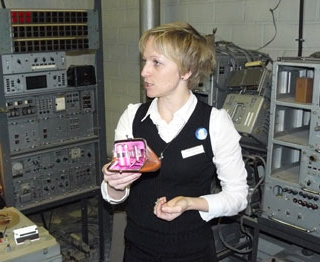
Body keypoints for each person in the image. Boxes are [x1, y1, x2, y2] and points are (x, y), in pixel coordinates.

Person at [101, 21, 248, 262]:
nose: (144, 72)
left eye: (156, 62)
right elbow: (116, 196)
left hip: (192, 252)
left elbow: (238, 197)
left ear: (186, 71)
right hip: (138, 249)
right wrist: (114, 183)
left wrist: (190, 203)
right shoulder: (133, 117)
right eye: (145, 61)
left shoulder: (215, 123)